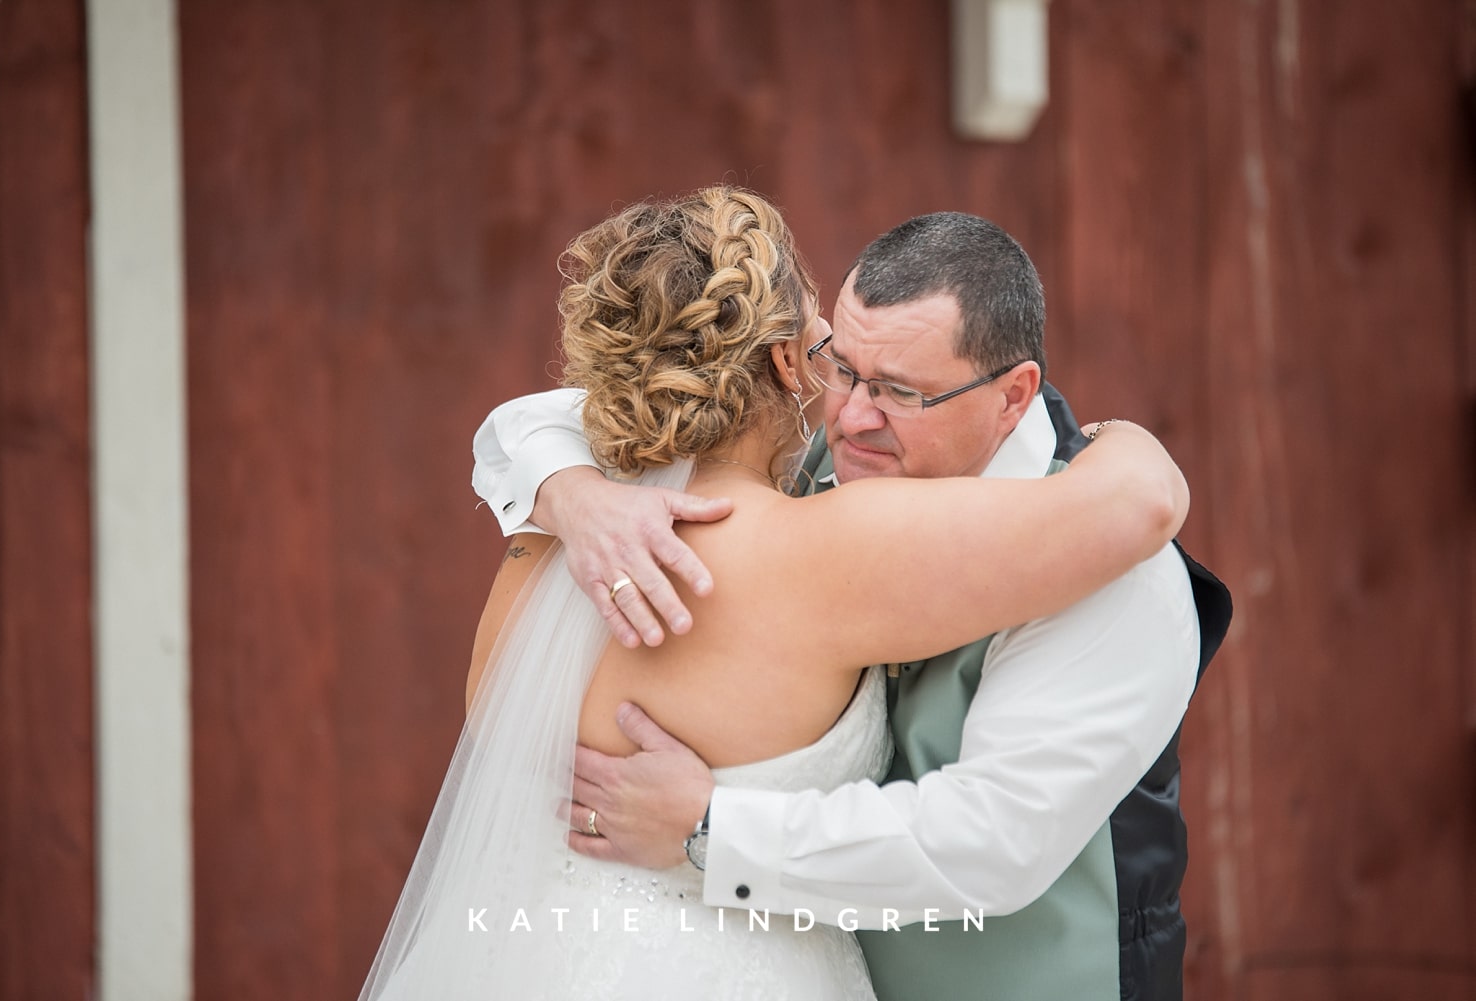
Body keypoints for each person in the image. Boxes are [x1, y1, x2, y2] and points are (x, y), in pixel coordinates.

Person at [361, 188, 1192, 1000]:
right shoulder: (801, 522)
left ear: (1014, 395)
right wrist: (576, 494)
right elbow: (539, 424)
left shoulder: (1110, 562)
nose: (852, 418)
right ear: (792, 360)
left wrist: (708, 826)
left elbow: (990, 846)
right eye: (843, 367)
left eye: (900, 391)